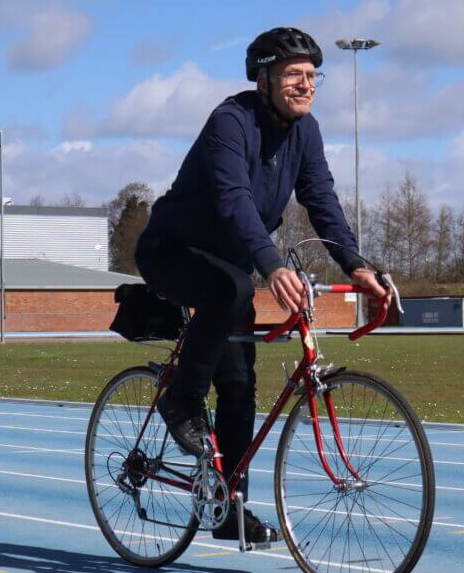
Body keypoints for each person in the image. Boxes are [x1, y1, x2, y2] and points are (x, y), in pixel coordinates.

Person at [134, 27, 390, 544]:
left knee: (239, 383)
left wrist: (356, 265)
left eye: (312, 75)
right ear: (264, 77)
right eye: (294, 74)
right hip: (172, 251)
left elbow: (322, 202)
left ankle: (229, 507)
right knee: (232, 291)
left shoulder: (306, 131)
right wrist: (272, 265)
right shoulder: (230, 122)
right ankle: (179, 401)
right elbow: (233, 201)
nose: (306, 84)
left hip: (230, 262)